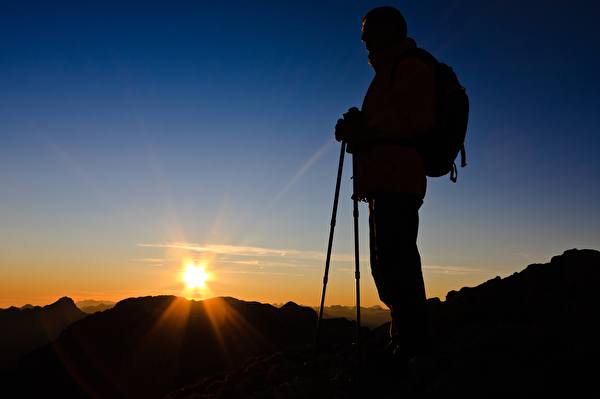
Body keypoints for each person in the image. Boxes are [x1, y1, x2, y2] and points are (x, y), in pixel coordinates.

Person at [334, 6, 436, 361]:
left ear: (386, 32)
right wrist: (361, 126)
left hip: (397, 180)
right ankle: (406, 338)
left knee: (396, 263)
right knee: (387, 265)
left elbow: (414, 121)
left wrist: (364, 131)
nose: (364, 43)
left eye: (368, 34)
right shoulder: (388, 72)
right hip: (385, 181)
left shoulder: (409, 67)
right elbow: (392, 121)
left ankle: (412, 346)